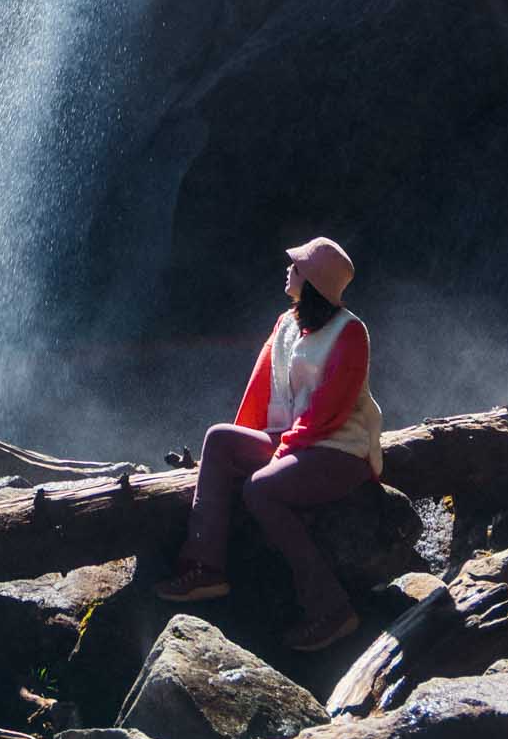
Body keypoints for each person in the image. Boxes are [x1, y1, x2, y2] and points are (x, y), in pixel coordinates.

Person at [155, 234, 381, 649]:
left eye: (295, 266)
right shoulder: (286, 324)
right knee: (219, 440)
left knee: (261, 490)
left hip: (339, 450)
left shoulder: (351, 333)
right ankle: (206, 566)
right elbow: (260, 391)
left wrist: (280, 452)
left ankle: (331, 608)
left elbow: (329, 411)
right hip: (295, 441)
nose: (287, 270)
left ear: (312, 279)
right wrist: (237, 452)